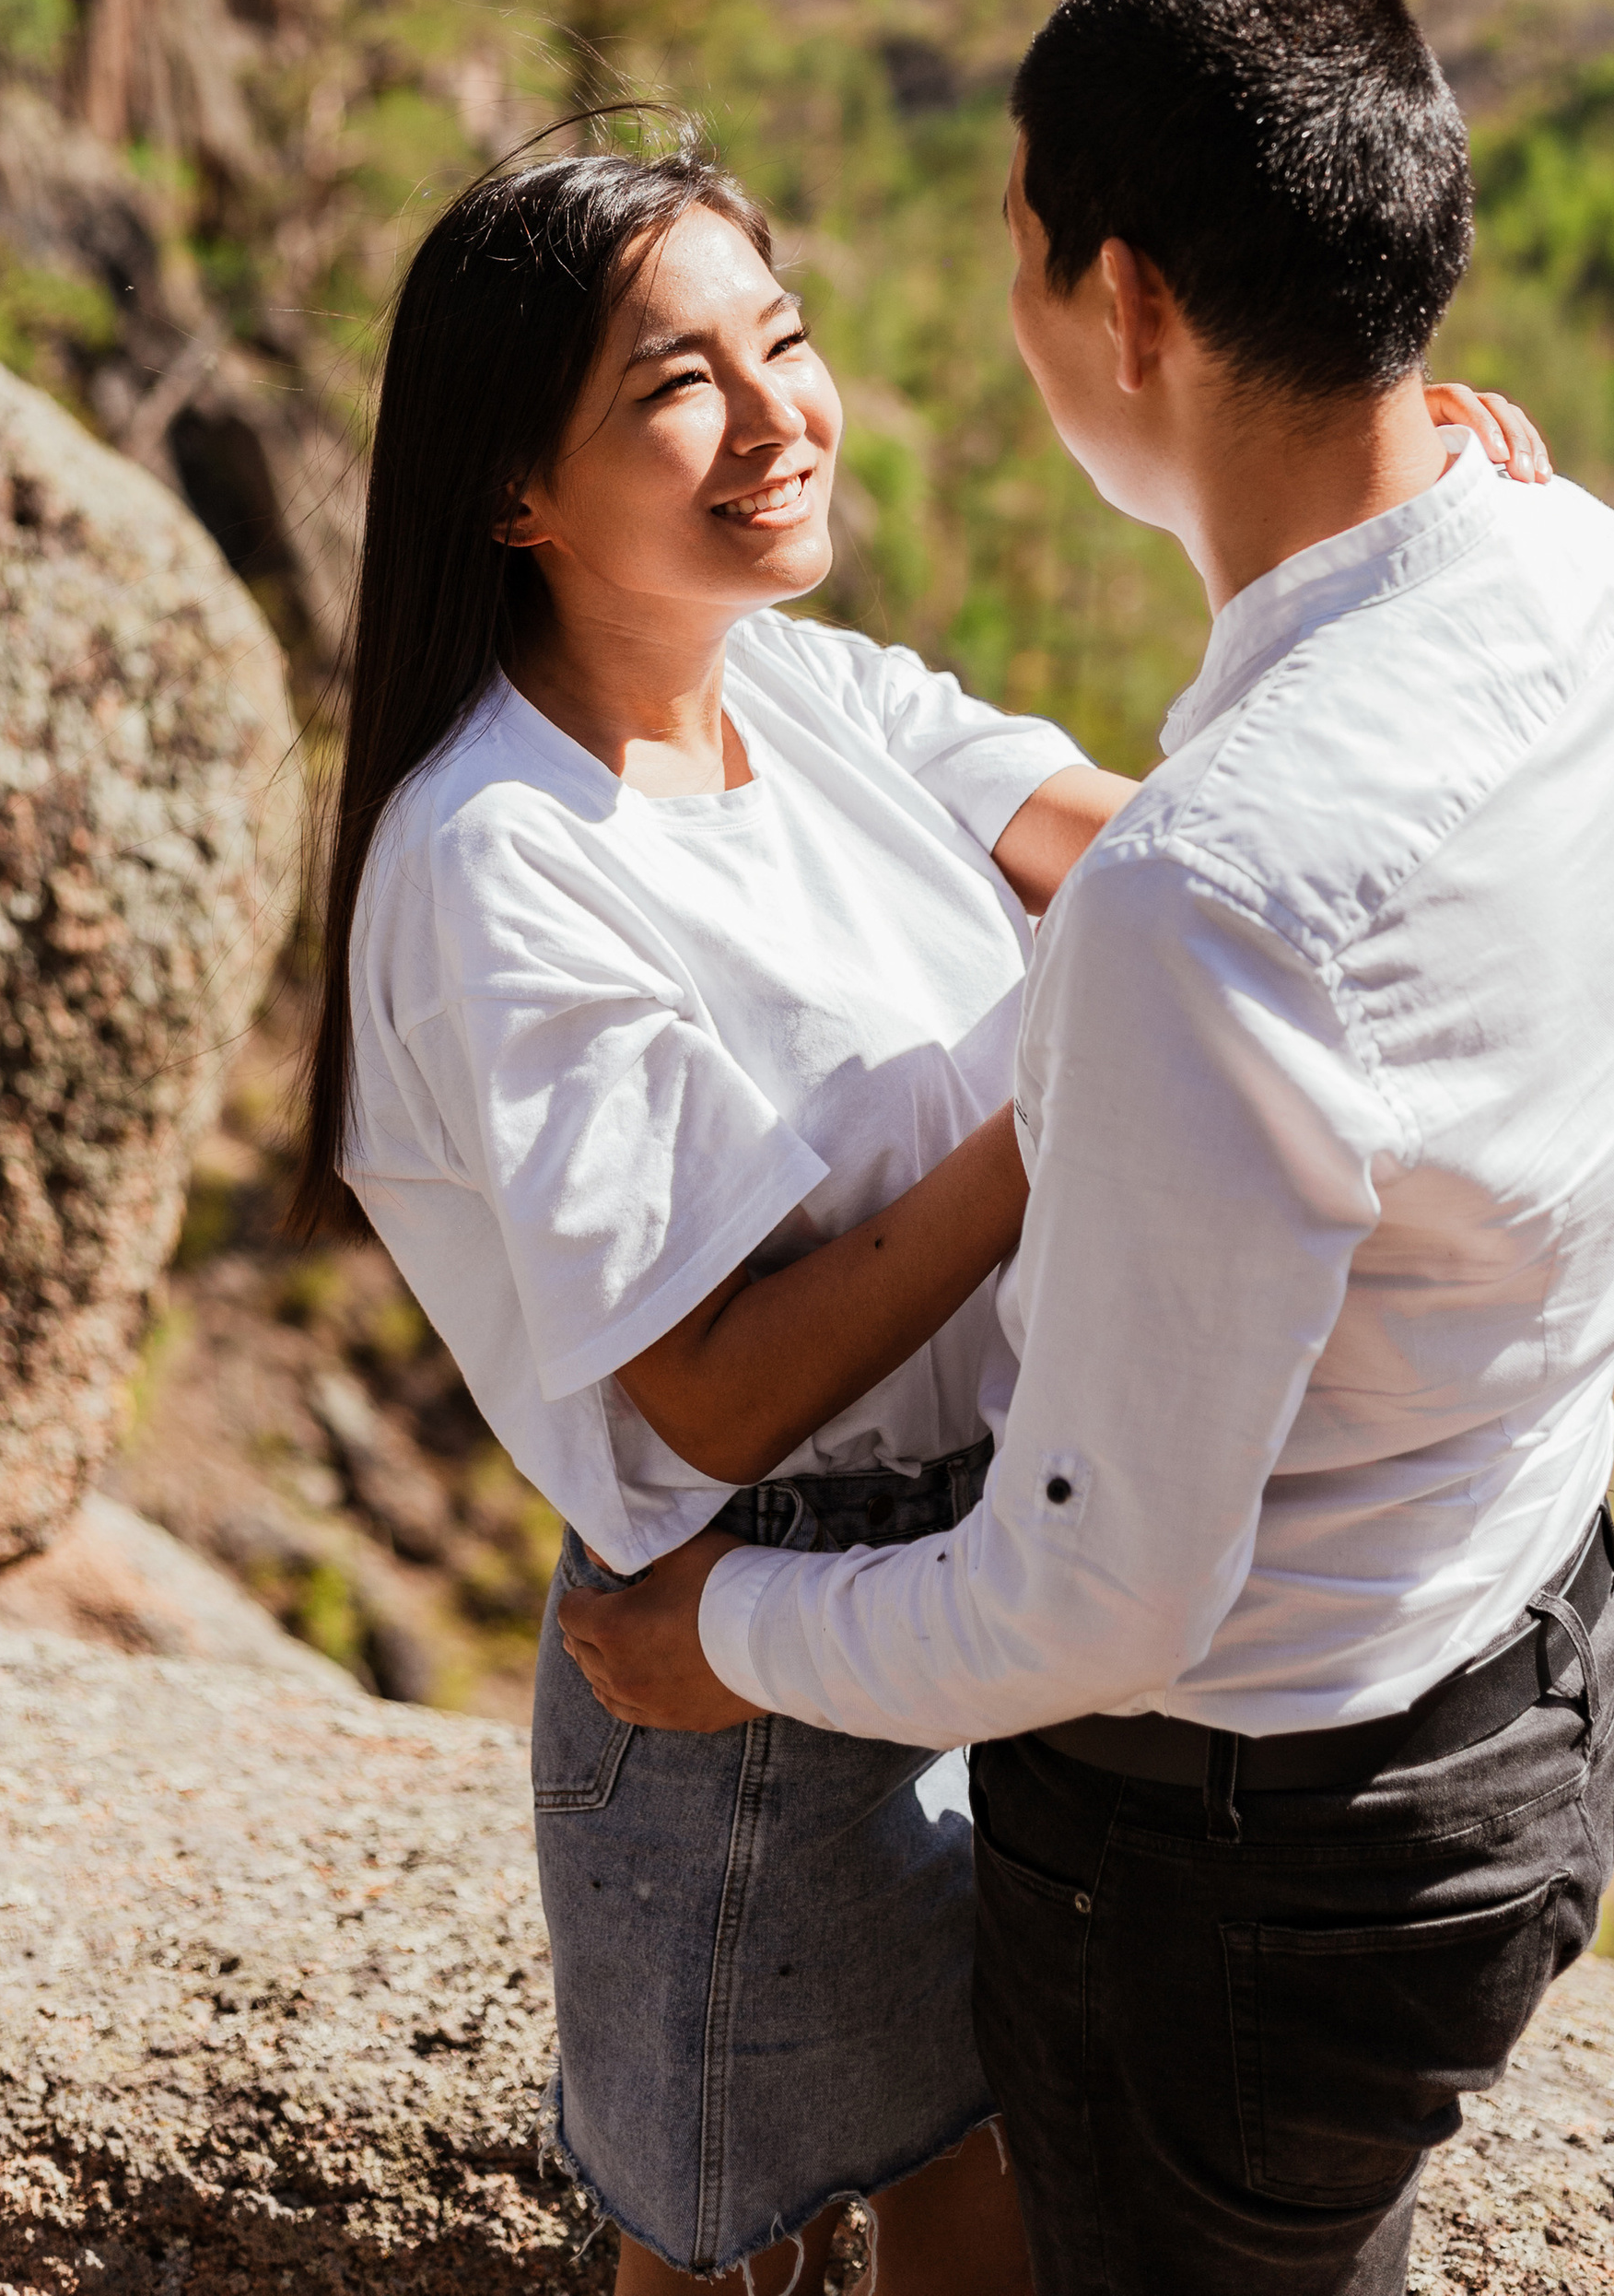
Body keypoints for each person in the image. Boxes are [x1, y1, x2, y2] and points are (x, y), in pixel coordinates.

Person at [561, 0, 1614, 2296]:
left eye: (1010, 250)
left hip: (1249, 1861)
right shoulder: (1582, 569)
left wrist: (732, 1636)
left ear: (1123, 307)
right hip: (1531, 1674)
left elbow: (1095, 1595)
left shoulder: (1205, 914)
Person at [298, 127, 1548, 2296]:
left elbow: (1191, 870)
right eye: (669, 385)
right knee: (732, 2249)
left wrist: (1413, 559)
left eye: (779, 338)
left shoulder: (803, 690)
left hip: (998, 1578)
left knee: (988, 2191)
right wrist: (1065, 1113)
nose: (775, 416)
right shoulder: (504, 858)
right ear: (513, 491)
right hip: (743, 1663)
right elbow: (697, 1402)